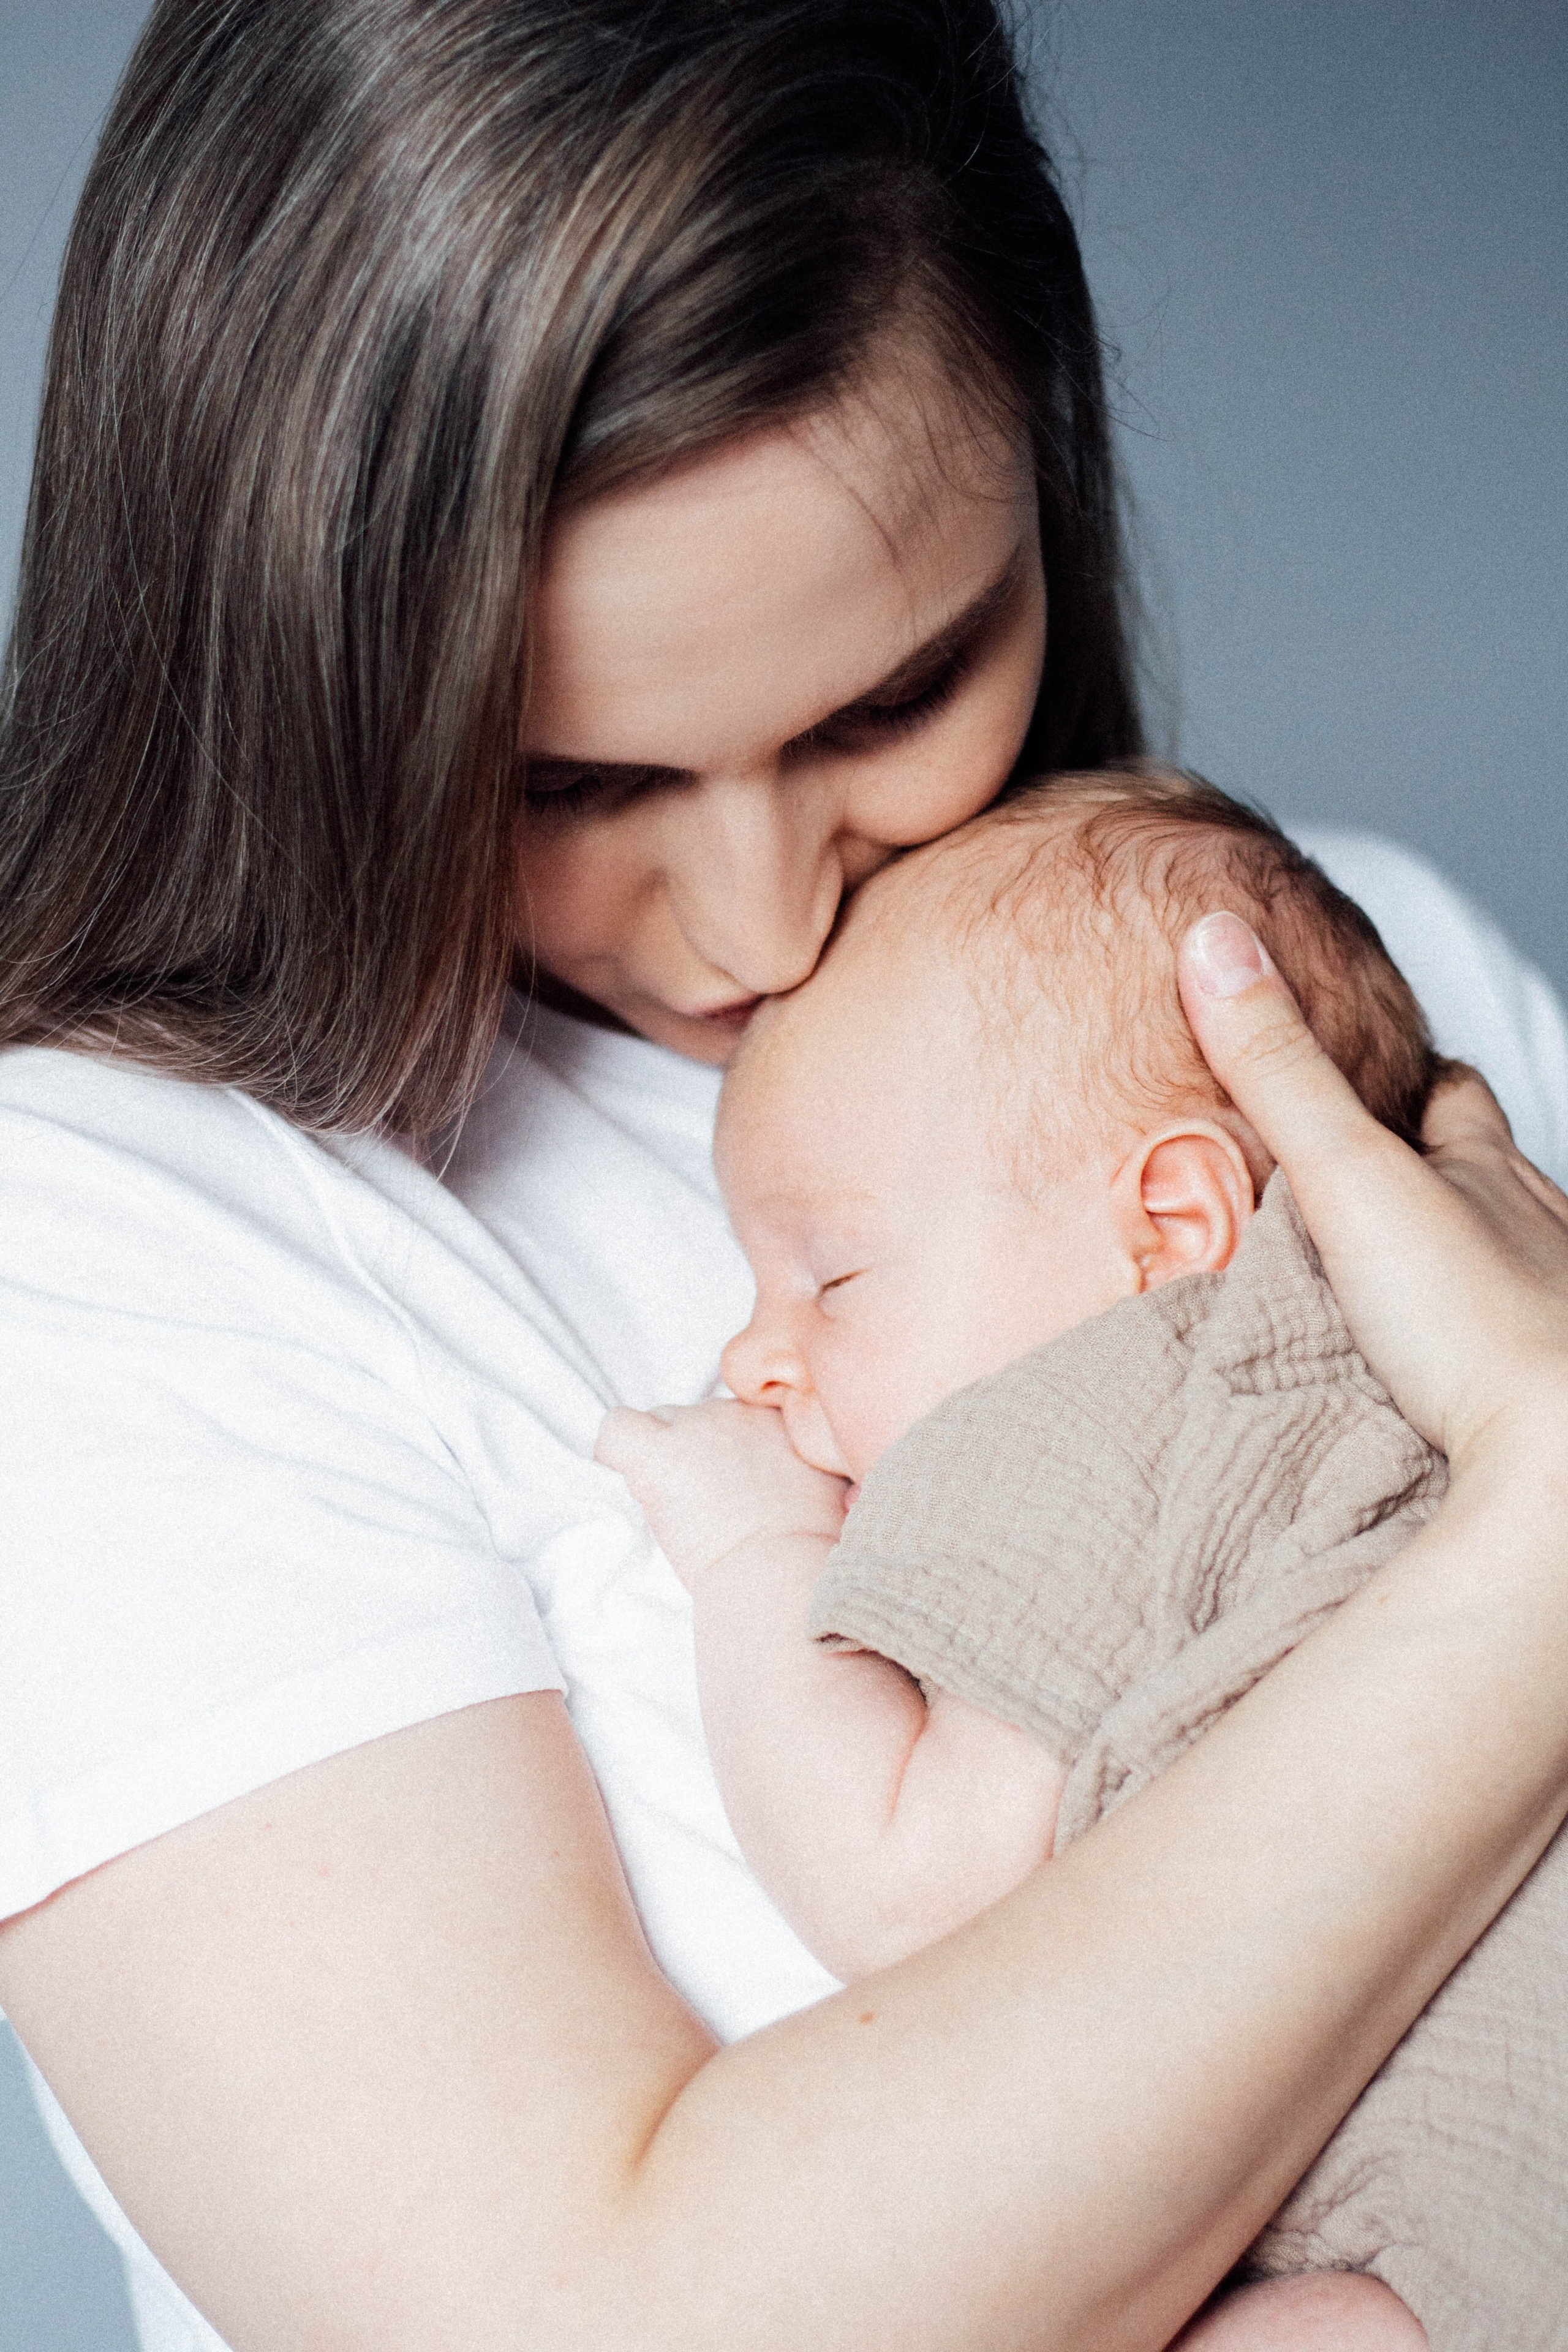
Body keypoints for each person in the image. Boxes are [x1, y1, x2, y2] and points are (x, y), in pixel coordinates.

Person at [1, 6, 1567, 2351]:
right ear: (294, 681)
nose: (757, 924)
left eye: (890, 698)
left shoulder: (1322, 978)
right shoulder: (106, 1238)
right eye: (569, 782)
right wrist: (1536, 1560)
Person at [603, 767, 1568, 2348]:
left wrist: (752, 1541)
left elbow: (912, 1896)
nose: (752, 1355)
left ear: (1169, 1228)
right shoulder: (1488, 1297)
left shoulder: (1099, 1399)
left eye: (832, 1277)